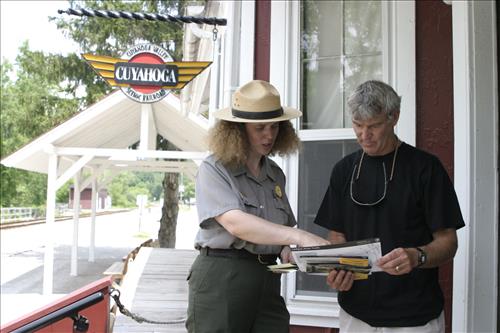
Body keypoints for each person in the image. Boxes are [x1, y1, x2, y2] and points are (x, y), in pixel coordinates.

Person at [314, 80, 465, 332]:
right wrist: (338, 267)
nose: (364, 135)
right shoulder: (343, 170)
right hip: (355, 314)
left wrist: (418, 256)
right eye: (357, 125)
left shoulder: (426, 168)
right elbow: (337, 233)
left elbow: (448, 242)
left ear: (394, 117)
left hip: (414, 317)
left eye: (373, 125)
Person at [186, 80, 330, 333]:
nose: (269, 135)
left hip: (268, 276)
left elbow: (280, 228)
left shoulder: (275, 174)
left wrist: (287, 248)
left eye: (275, 127)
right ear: (237, 130)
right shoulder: (215, 169)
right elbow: (236, 223)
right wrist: (300, 236)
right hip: (223, 275)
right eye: (260, 128)